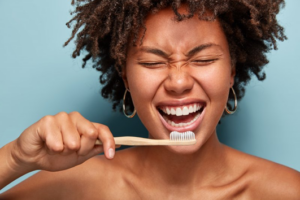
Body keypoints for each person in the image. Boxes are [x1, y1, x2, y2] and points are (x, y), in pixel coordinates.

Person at [1, 0, 300, 199]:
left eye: (204, 58)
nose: (179, 82)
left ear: (232, 71)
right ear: (126, 76)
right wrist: (14, 158)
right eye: (152, 63)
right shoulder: (78, 185)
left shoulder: (286, 191)